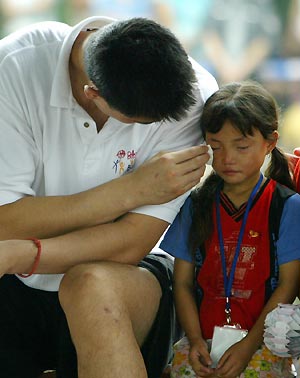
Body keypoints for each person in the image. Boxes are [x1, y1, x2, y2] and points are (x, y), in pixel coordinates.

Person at [0, 15, 218, 378]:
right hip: (14, 278)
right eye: (138, 123)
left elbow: (130, 244)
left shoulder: (192, 93)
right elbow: (6, 219)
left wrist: (25, 253)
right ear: (93, 94)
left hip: (131, 274)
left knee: (90, 287)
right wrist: (131, 190)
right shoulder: (14, 66)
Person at [160, 81, 300, 377]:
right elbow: (183, 283)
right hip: (200, 344)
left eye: (241, 146)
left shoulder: (287, 206)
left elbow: (288, 285)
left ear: (270, 142)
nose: (226, 159)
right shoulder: (195, 204)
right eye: (216, 146)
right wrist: (195, 339)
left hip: (261, 345)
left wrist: (249, 345)